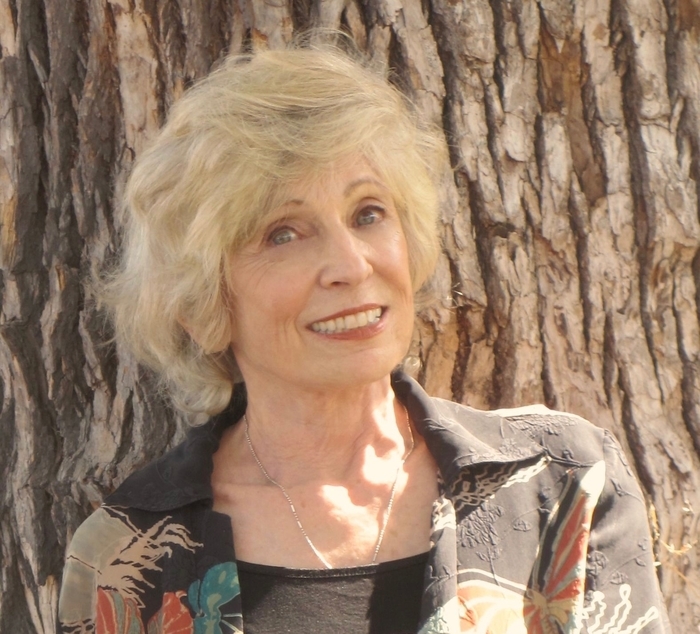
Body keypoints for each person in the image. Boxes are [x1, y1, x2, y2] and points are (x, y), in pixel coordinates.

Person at [57, 40, 671, 634]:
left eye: (368, 214)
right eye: (283, 233)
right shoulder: (124, 557)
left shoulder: (563, 481)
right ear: (203, 298)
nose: (351, 265)